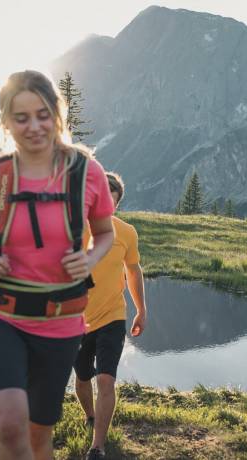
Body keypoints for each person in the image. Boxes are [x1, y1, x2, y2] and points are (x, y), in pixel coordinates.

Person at [0, 70, 115, 460]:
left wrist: (89, 257)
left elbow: (105, 232)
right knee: (9, 425)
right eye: (21, 118)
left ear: (57, 114)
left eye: (42, 114)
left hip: (61, 321)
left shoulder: (88, 176)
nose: (34, 126)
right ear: (5, 122)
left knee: (39, 437)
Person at [74, 172, 147, 460]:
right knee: (82, 378)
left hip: (112, 318)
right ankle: (91, 416)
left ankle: (98, 447)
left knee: (105, 380)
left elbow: (133, 271)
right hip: (75, 320)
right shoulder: (72, 229)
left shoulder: (126, 232)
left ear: (116, 205)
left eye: (110, 202)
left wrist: (142, 310)